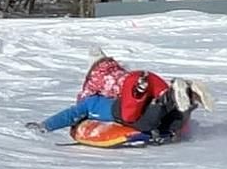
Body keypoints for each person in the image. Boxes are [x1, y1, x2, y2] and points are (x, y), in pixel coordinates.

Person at [39, 53, 212, 138]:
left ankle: (170, 99)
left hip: (121, 111)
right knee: (170, 124)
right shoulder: (110, 89)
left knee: (146, 122)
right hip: (137, 99)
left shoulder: (89, 103)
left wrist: (45, 126)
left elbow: (68, 115)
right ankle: (187, 95)